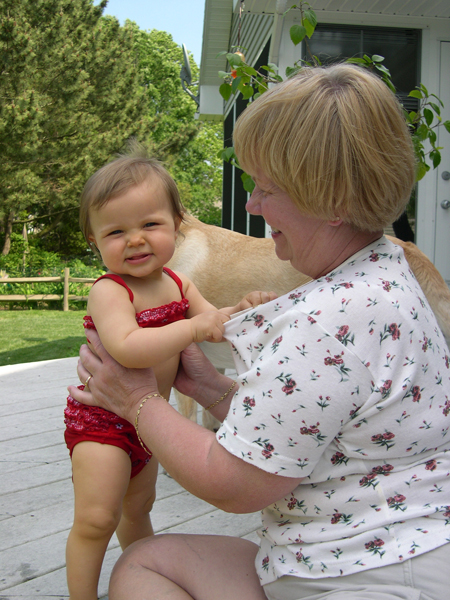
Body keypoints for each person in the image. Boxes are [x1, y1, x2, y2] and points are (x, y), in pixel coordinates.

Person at [68, 65, 450, 600]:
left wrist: (135, 403)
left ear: (334, 200)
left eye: (268, 189)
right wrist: (208, 387)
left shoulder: (327, 319)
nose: (251, 205)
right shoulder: (387, 269)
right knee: (144, 560)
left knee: (136, 571)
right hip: (404, 543)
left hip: (361, 577)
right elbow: (302, 425)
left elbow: (236, 483)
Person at [64, 153, 275, 600]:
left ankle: (144, 574)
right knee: (97, 518)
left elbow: (216, 320)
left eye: (150, 225)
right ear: (94, 240)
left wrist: (244, 308)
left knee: (138, 507)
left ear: (178, 223)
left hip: (148, 422)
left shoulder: (179, 283)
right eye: (116, 231)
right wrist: (192, 328)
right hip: (103, 425)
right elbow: (126, 346)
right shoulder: (109, 290)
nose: (135, 241)